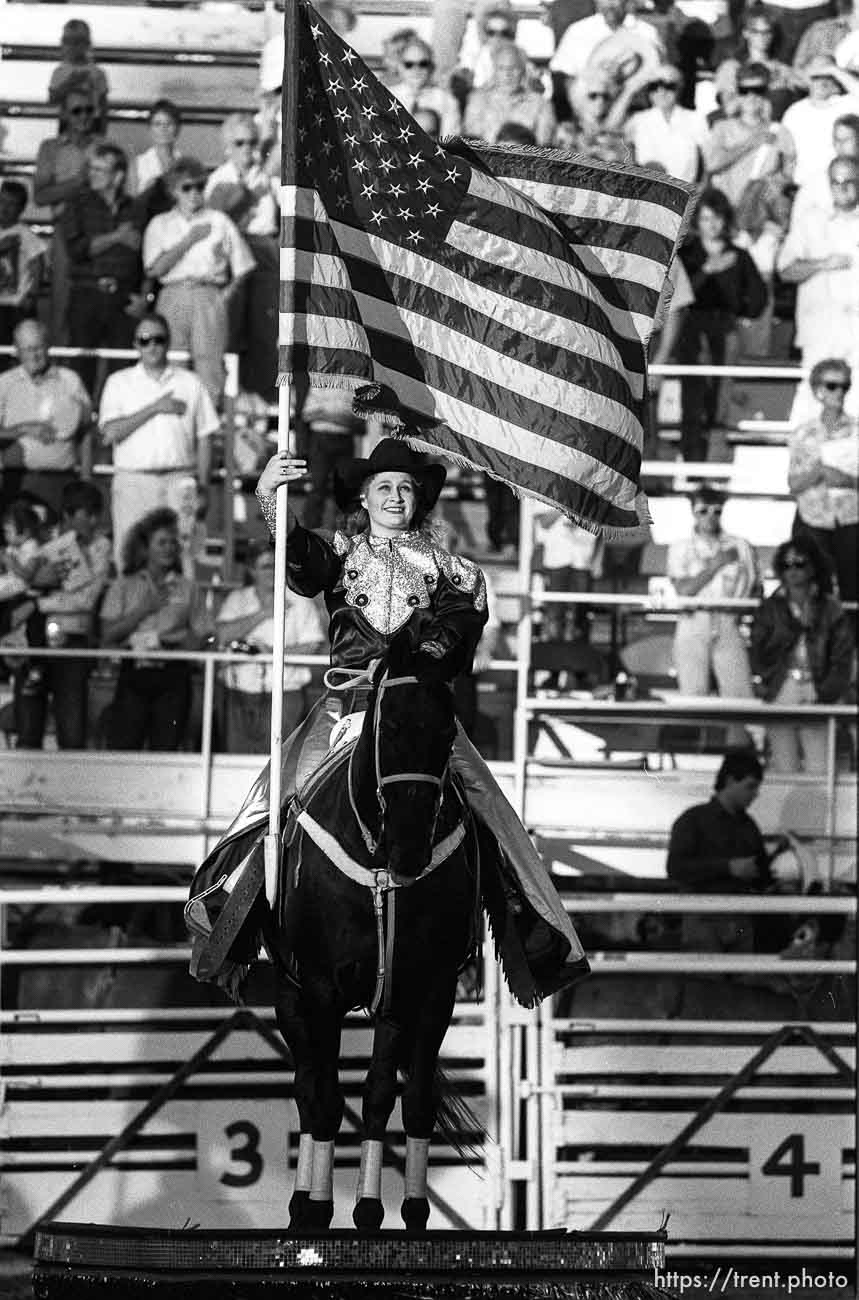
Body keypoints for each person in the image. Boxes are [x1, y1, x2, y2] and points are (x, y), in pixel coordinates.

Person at [188, 437, 588, 1004]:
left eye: (406, 487)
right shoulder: (343, 555)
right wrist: (270, 497)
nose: (396, 496)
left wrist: (405, 675)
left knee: (492, 811)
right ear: (365, 496)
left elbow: (454, 641)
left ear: (419, 499)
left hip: (419, 716)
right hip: (343, 711)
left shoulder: (458, 573)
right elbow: (299, 561)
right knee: (270, 797)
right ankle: (230, 922)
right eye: (385, 487)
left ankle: (527, 941)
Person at [98, 312, 220, 571]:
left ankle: (185, 610)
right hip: (134, 481)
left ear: (168, 342)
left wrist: (204, 484)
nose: (152, 345)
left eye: (158, 339)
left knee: (186, 555)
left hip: (181, 479)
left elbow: (206, 437)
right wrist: (155, 408)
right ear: (135, 345)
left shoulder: (191, 382)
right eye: (145, 340)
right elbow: (110, 432)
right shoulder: (118, 383)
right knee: (129, 552)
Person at [142, 158, 255, 408]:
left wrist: (224, 295)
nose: (194, 193)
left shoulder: (219, 220)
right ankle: (171, 417)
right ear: (174, 191)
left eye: (199, 187)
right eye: (186, 188)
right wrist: (189, 240)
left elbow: (243, 265)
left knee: (209, 362)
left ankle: (209, 423)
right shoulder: (161, 224)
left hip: (208, 293)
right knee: (172, 358)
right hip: (173, 292)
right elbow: (154, 268)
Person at [100, 507, 209, 750]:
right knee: (124, 747)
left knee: (167, 747)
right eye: (161, 542)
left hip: (173, 673)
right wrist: (143, 610)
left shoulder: (189, 588)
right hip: (135, 669)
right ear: (145, 547)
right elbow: (107, 634)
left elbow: (204, 632)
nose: (169, 548)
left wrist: (183, 649)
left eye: (173, 542)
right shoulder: (123, 586)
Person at [14, 479, 110, 750]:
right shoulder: (42, 539)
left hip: (72, 641)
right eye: (87, 514)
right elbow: (17, 583)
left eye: (96, 513)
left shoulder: (101, 547)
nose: (94, 521)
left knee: (71, 734)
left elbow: (86, 599)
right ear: (67, 514)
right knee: (29, 731)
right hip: (33, 640)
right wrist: (34, 582)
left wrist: (40, 600)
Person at [749, 534, 854, 772]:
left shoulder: (830, 609)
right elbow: (757, 652)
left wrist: (825, 693)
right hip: (780, 687)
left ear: (813, 567)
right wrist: (797, 627)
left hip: (817, 689)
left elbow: (842, 659)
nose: (792, 571)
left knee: (820, 767)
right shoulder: (769, 608)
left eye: (799, 564)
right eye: (786, 565)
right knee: (783, 766)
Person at [676, 188, 768, 459]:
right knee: (693, 397)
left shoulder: (739, 256)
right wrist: (707, 270)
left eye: (716, 218)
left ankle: (715, 469)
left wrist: (741, 311)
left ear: (725, 220)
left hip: (726, 328)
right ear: (697, 222)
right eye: (705, 219)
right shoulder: (687, 254)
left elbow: (759, 297)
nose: (712, 225)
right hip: (692, 329)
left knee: (721, 398)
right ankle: (691, 468)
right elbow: (677, 294)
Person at [666, 485, 759, 744]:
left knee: (738, 692)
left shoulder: (740, 546)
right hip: (693, 620)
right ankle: (694, 752)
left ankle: (740, 752)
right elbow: (684, 590)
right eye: (703, 510)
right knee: (692, 692)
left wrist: (735, 614)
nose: (710, 516)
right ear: (693, 513)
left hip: (727, 620)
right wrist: (716, 565)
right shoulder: (680, 548)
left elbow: (752, 586)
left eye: (716, 511)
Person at [215, 542, 325, 753]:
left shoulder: (300, 600)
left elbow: (312, 646)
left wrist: (271, 654)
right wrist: (265, 612)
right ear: (251, 570)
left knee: (277, 763)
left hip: (285, 693)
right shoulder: (237, 599)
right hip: (238, 691)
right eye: (266, 566)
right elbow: (222, 635)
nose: (273, 570)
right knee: (235, 758)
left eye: (277, 564)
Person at [778, 155, 859, 423]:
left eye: (850, 181)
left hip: (856, 334)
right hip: (820, 331)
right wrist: (823, 263)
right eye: (836, 182)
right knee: (811, 409)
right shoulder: (810, 221)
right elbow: (785, 269)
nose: (843, 187)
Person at [61, 143, 145, 383]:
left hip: (124, 297)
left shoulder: (135, 208)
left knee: (122, 369)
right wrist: (117, 237)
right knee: (80, 367)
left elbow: (141, 255)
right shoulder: (77, 204)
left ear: (118, 176)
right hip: (86, 294)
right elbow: (77, 250)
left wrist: (142, 296)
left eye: (100, 170)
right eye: (92, 168)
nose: (92, 174)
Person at [33, 78, 102, 345]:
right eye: (76, 111)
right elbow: (40, 196)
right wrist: (78, 182)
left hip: (98, 230)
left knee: (96, 305)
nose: (83, 117)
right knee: (62, 303)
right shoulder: (50, 148)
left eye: (88, 110)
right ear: (63, 113)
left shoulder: (104, 145)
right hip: (65, 231)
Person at [0, 319, 92, 516]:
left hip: (61, 481)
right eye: (27, 349)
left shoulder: (70, 380)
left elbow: (86, 432)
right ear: (16, 351)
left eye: (39, 347)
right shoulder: (4, 384)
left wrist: (85, 482)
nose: (34, 355)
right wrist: (24, 429)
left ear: (48, 346)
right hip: (17, 481)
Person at [788, 358, 858, 601]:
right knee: (815, 590)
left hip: (851, 519)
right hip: (813, 520)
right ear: (818, 390)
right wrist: (817, 472)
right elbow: (794, 485)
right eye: (832, 385)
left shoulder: (857, 432)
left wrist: (848, 480)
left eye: (844, 386)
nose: (839, 392)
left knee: (853, 591)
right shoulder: (803, 433)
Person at [667, 749, 772, 892]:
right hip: (704, 909)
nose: (755, 794)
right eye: (750, 786)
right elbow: (676, 868)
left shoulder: (748, 825)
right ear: (730, 781)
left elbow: (762, 871)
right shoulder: (693, 820)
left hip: (742, 908)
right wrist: (728, 867)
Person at [704, 64, 796, 209]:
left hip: (761, 213)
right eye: (744, 91)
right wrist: (751, 143)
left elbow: (789, 173)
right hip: (727, 210)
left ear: (767, 92)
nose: (751, 96)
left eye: (758, 91)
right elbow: (711, 164)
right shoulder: (721, 128)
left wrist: (775, 185)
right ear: (737, 93)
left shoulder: (780, 131)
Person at [780, 55, 859, 189]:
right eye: (816, 76)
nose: (822, 81)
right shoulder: (794, 112)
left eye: (826, 75)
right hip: (804, 188)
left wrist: (834, 70)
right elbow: (788, 158)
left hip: (842, 185)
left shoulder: (848, 104)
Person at [624, 63, 707, 179]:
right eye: (654, 86)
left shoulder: (695, 119)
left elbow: (708, 161)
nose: (661, 92)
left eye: (669, 86)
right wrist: (629, 92)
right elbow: (609, 131)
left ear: (679, 88)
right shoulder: (638, 120)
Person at [463, 43, 556, 144]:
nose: (507, 74)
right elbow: (472, 142)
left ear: (523, 71)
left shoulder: (541, 104)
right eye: (502, 68)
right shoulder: (477, 101)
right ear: (494, 70)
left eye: (513, 68)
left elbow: (543, 145)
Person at [0, 182, 46, 346]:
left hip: (16, 302)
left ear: (21, 209)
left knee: (16, 343)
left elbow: (37, 263)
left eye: (11, 204)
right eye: (2, 202)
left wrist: (32, 293)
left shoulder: (25, 234)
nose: (5, 208)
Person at [389, 37, 462, 139]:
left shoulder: (447, 101)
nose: (416, 69)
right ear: (400, 67)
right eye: (409, 64)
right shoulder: (385, 98)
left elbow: (450, 145)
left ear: (431, 67)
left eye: (423, 64)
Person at [47, 19, 109, 129]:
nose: (72, 47)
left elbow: (103, 104)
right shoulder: (59, 72)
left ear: (88, 44)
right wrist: (69, 84)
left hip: (93, 122)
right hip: (67, 122)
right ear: (62, 43)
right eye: (67, 41)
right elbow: (52, 100)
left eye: (77, 42)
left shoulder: (98, 73)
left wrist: (103, 127)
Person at [127, 100, 183, 199]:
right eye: (157, 124)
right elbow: (132, 203)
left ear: (178, 128)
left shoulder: (184, 163)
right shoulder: (137, 164)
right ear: (150, 129)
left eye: (169, 123)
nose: (163, 129)